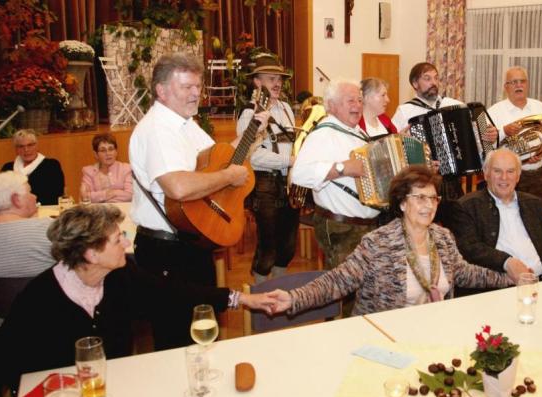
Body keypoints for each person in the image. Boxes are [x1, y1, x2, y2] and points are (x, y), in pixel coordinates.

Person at [0, 205, 276, 397]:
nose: (127, 244)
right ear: (91, 254)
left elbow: (174, 293)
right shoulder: (40, 299)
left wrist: (242, 298)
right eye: (118, 239)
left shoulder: (119, 277)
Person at [268, 166, 516, 316]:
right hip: (386, 338)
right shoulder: (378, 243)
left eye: (433, 198)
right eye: (420, 198)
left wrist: (510, 279)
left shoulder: (442, 237)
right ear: (402, 203)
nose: (429, 205)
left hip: (433, 330)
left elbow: (464, 272)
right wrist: (294, 298)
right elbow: (338, 280)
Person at [129, 53, 248, 349]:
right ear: (161, 90)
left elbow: (217, 162)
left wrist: (250, 136)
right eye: (187, 87)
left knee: (202, 336)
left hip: (188, 243)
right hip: (166, 251)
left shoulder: (185, 124)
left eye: (198, 86)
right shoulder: (158, 129)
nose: (196, 93)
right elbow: (179, 187)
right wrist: (229, 176)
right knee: (177, 342)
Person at [391, 62, 498, 226]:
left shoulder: (454, 105)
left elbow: (474, 137)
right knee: (423, 226)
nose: (433, 83)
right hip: (421, 183)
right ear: (415, 84)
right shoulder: (405, 111)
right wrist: (401, 140)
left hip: (452, 183)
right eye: (427, 78)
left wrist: (488, 136)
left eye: (436, 78)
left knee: (459, 226)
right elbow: (394, 147)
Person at [450, 149, 542, 285]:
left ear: (518, 176)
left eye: (510, 171)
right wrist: (506, 261)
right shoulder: (467, 206)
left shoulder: (534, 203)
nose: (504, 177)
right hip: (498, 286)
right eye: (497, 171)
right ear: (486, 174)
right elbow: (470, 249)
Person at [291, 79, 378, 269]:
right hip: (342, 229)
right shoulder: (322, 134)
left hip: (366, 226)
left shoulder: (358, 132)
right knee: (345, 287)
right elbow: (299, 173)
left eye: (360, 100)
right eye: (351, 100)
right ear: (331, 105)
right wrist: (343, 168)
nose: (357, 106)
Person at [235, 54, 299, 283]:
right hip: (264, 184)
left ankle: (279, 290)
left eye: (279, 79)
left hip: (288, 183)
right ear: (257, 82)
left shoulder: (286, 108)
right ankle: (260, 294)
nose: (277, 83)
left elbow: (292, 142)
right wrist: (288, 161)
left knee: (288, 246)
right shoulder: (249, 112)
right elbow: (251, 156)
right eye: (271, 78)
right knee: (268, 247)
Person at [486, 66, 542, 216]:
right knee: (508, 220)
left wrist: (541, 153)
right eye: (514, 82)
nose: (519, 85)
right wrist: (504, 132)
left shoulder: (539, 107)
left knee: (539, 222)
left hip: (538, 177)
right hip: (506, 179)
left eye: (522, 81)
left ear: (527, 84)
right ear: (506, 87)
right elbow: (484, 148)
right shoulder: (493, 112)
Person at [0, 171, 54, 277]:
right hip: (45, 288)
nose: (35, 196)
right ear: (16, 199)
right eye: (30, 192)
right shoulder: (48, 229)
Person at [0, 129, 64, 205]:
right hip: (14, 210)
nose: (26, 150)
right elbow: (1, 196)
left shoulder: (51, 166)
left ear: (37, 146)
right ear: (16, 150)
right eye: (21, 146)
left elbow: (56, 194)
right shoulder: (7, 168)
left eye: (30, 145)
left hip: (44, 209)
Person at [80, 133, 133, 203]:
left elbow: (130, 195)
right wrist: (105, 194)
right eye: (103, 150)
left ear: (116, 152)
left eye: (111, 149)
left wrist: (112, 194)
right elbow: (85, 196)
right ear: (96, 154)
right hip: (98, 210)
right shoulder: (88, 171)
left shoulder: (126, 168)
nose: (108, 153)